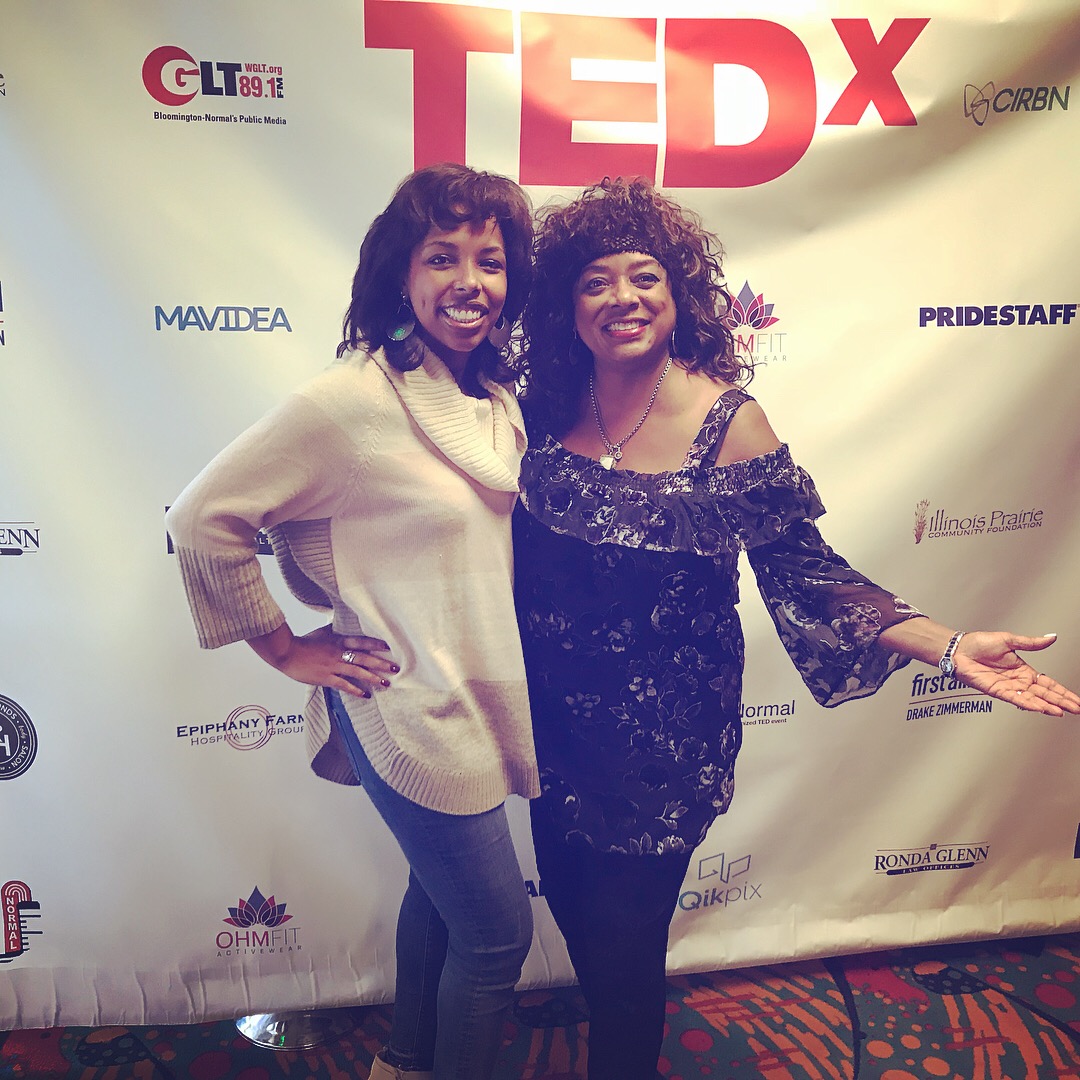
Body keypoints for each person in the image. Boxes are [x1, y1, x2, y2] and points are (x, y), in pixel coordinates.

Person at [512, 176, 1080, 1080]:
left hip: (661, 747)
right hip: (550, 727)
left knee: (623, 960)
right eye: (595, 282)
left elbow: (806, 571)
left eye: (645, 276)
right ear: (566, 306)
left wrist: (945, 645)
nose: (623, 298)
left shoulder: (727, 422)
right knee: (579, 919)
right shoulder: (540, 405)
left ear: (677, 293)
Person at [166, 163, 539, 1080]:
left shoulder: (493, 401)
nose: (470, 282)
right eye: (442, 257)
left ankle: (404, 1064)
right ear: (401, 275)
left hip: (472, 698)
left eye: (490, 261)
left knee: (439, 902)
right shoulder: (354, 402)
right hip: (404, 708)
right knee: (496, 937)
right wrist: (285, 647)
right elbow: (201, 517)